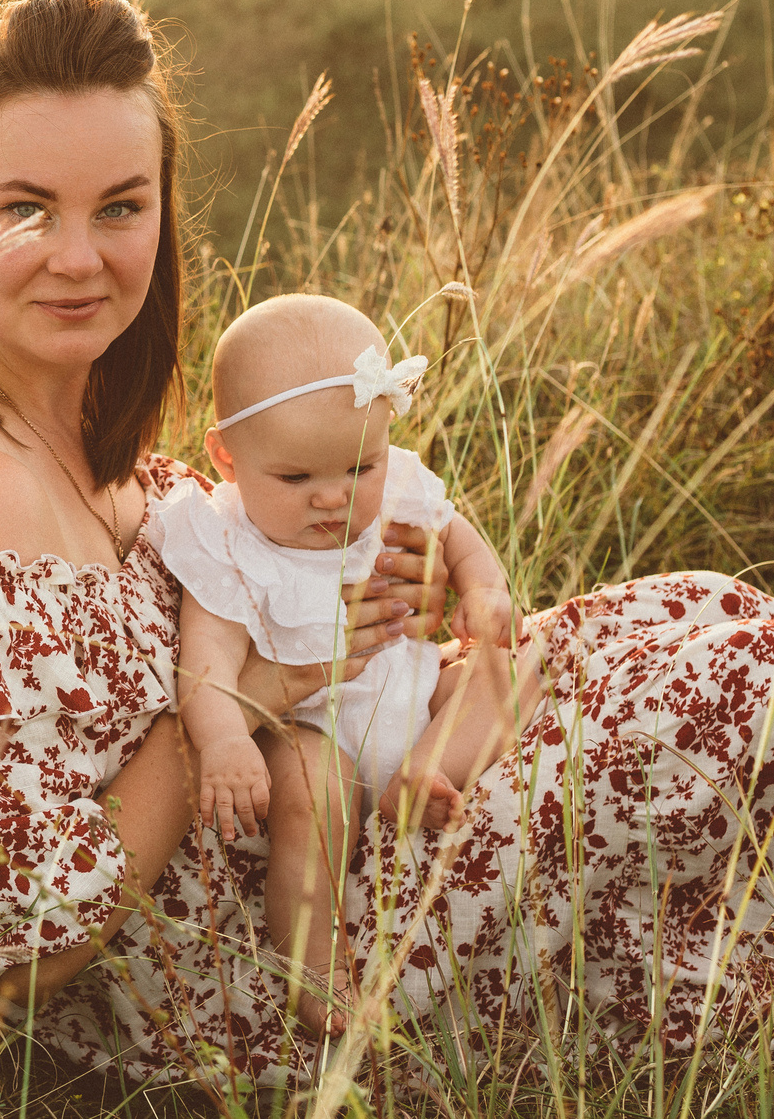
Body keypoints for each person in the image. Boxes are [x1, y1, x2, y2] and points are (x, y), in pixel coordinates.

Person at [0, 0, 774, 1089]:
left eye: (120, 206)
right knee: (740, 689)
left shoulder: (73, 422)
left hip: (347, 814)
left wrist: (386, 623)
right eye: (24, 210)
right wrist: (262, 694)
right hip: (266, 958)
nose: (81, 256)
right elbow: (26, 946)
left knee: (694, 612)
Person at [167, 293, 527, 1035]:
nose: (333, 496)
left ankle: (424, 770)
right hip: (311, 729)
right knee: (311, 781)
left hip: (415, 696)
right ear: (225, 455)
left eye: (360, 465)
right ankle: (317, 963)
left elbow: (458, 535)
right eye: (296, 478)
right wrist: (226, 739)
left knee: (513, 667)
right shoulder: (228, 542)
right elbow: (205, 664)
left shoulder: (396, 486)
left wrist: (484, 590)